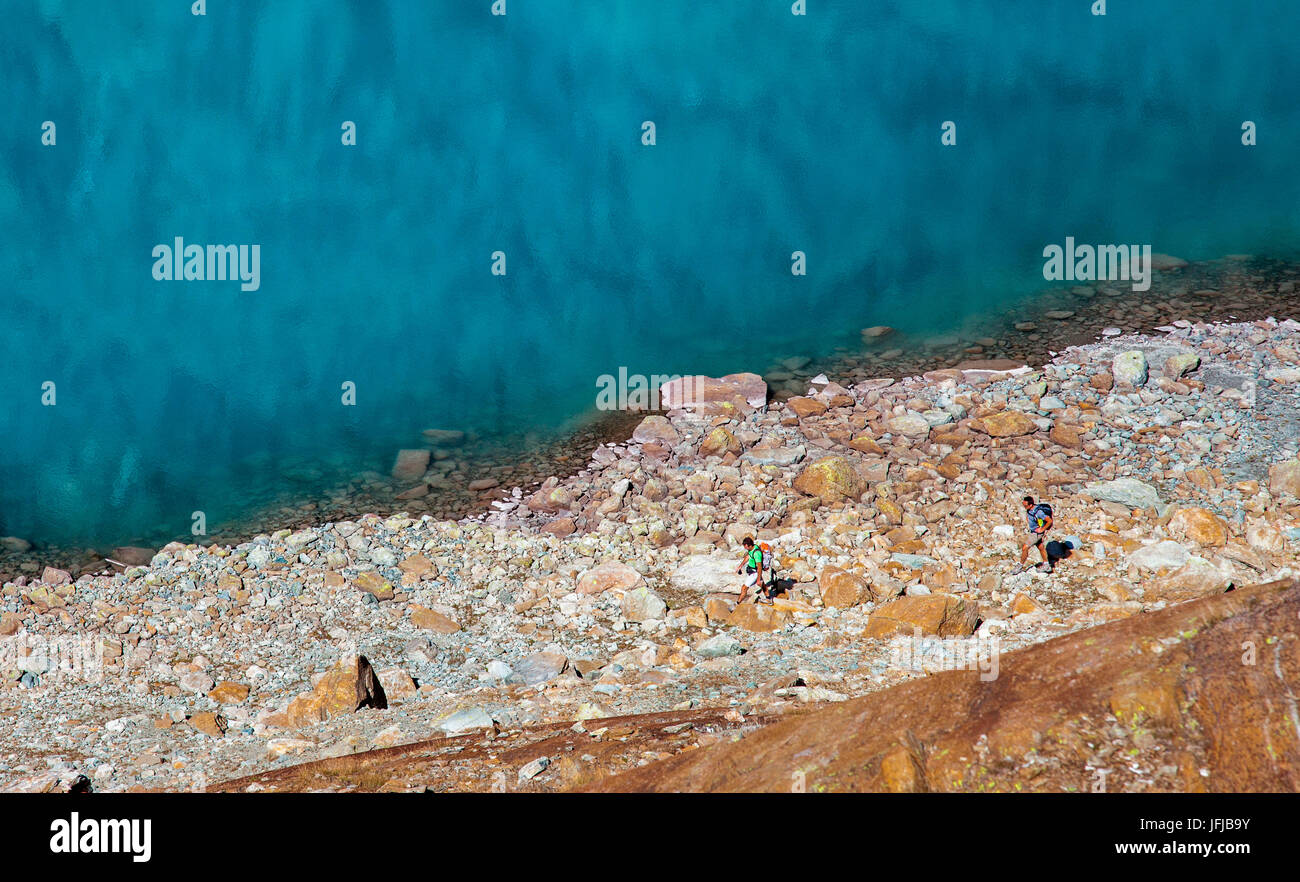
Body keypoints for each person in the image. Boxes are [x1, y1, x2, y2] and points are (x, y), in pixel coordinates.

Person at [1012, 495, 1054, 574]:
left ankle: (1020, 566)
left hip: (1036, 533)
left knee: (1025, 548)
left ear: (1031, 505)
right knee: (1040, 546)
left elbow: (1049, 521)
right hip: (1033, 531)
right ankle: (1046, 564)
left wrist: (1042, 529)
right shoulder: (1030, 509)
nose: (1024, 507)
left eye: (1025, 505)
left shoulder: (1039, 512)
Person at [736, 537, 771, 604]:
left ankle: (737, 603)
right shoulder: (753, 548)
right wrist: (741, 566)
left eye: (745, 546)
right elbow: (748, 556)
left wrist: (758, 579)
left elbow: (760, 567)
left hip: (755, 573)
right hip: (753, 571)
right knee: (762, 584)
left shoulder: (756, 553)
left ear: (749, 545)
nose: (744, 548)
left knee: (744, 588)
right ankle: (769, 599)